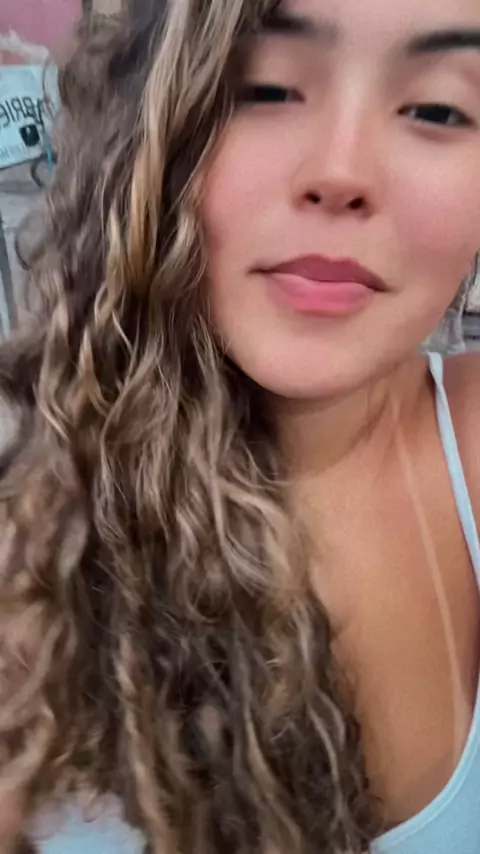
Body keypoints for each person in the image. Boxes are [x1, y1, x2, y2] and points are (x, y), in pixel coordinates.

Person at [0, 0, 479, 851]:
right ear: (152, 126)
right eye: (264, 88)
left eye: (438, 109)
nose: (341, 171)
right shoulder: (25, 559)